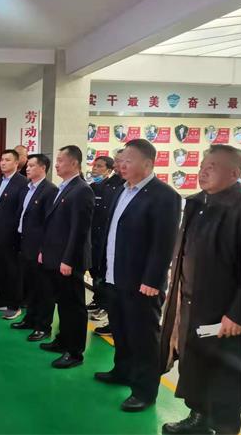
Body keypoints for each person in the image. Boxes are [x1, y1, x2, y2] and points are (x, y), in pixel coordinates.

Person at [160, 145, 241, 435]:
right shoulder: (198, 204)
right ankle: (198, 418)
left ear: (234, 173)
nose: (203, 171)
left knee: (225, 375)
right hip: (192, 305)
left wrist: (238, 314)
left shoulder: (240, 210)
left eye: (213, 166)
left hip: (225, 315)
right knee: (195, 364)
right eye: (203, 166)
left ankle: (225, 428)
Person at [94, 139, 181, 412]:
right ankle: (122, 370)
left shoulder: (164, 196)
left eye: (128, 161)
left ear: (147, 163)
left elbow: (163, 243)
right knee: (120, 329)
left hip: (142, 283)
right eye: (120, 160)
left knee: (143, 338)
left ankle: (144, 391)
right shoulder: (122, 190)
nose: (121, 165)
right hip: (115, 275)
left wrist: (152, 280)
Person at [38, 146, 95, 369]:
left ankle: (75, 351)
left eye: (61, 160)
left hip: (69, 260)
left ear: (74, 163)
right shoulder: (65, 187)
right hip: (57, 256)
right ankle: (63, 340)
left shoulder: (81, 190)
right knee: (63, 303)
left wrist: (68, 260)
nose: (57, 164)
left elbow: (79, 230)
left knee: (74, 306)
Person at [11, 154, 58, 341]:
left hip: (39, 247)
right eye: (27, 165)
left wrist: (44, 249)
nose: (27, 168)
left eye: (32, 165)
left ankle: (43, 326)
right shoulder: (27, 188)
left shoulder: (49, 191)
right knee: (30, 284)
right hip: (25, 242)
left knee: (44, 288)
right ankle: (30, 319)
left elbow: (50, 224)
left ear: (43, 168)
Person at [0, 150, 28, 319]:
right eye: (2, 159)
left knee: (13, 271)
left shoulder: (22, 183)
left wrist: (16, 232)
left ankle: (14, 304)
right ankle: (1, 299)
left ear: (16, 163)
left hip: (12, 235)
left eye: (7, 160)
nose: (3, 163)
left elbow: (21, 211)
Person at [89, 151, 126, 337]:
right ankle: (108, 314)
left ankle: (109, 312)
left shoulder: (122, 186)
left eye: (100, 166)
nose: (95, 169)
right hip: (99, 239)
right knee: (99, 274)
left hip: (120, 248)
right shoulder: (102, 186)